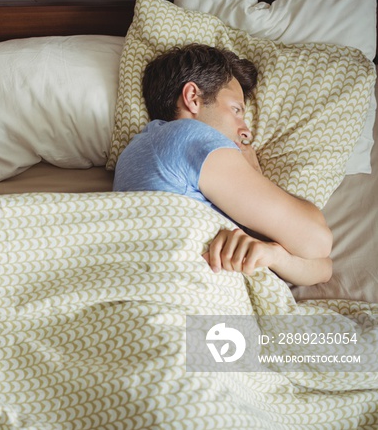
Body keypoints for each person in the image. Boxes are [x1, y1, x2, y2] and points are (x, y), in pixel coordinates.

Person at [113, 44, 332, 286]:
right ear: (192, 98)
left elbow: (323, 269)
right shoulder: (187, 136)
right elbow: (317, 239)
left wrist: (274, 255)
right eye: (236, 110)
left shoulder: (137, 152)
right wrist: (253, 173)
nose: (245, 130)